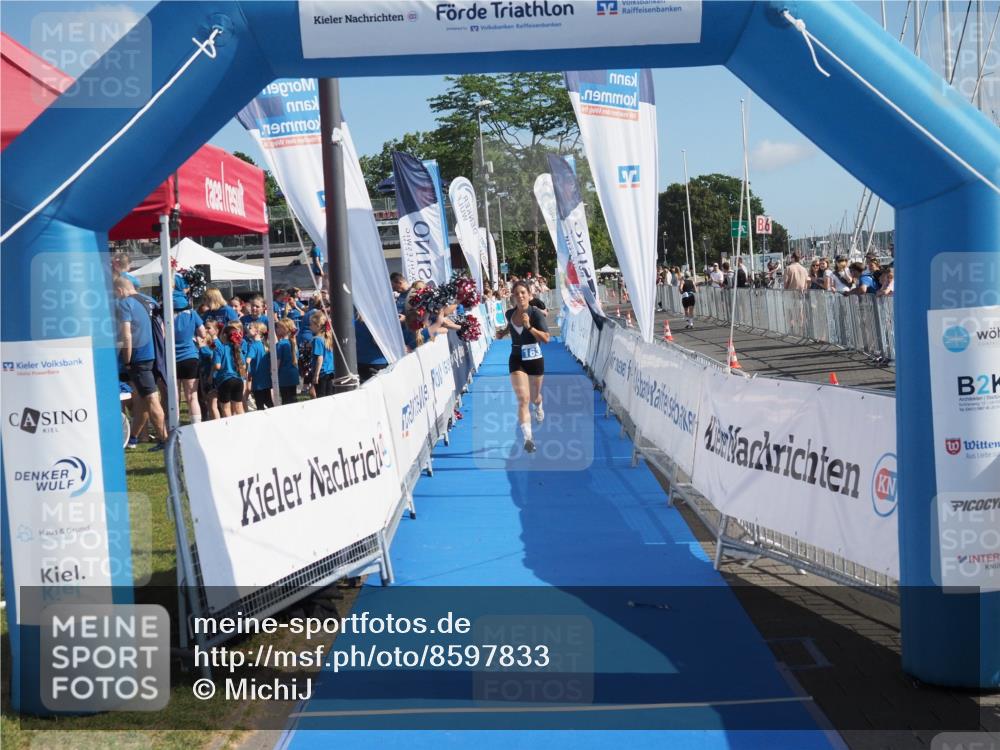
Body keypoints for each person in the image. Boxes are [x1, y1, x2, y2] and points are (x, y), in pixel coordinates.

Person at [496, 280, 551, 454]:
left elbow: (546, 338)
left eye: (523, 293)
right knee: (523, 399)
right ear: (512, 296)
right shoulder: (509, 313)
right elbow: (511, 327)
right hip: (517, 359)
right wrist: (503, 333)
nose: (520, 296)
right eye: (517, 293)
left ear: (529, 295)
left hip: (535, 359)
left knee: (534, 398)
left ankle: (539, 405)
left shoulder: (536, 314)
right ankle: (528, 438)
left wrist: (529, 327)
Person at [115, 277, 168, 448]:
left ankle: (164, 439)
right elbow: (163, 328)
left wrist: (127, 360)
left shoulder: (125, 303)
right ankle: (134, 437)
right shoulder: (150, 300)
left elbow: (126, 335)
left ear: (120, 290)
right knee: (145, 399)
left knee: (151, 398)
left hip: (139, 357)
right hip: (154, 355)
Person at [174, 297, 206, 424]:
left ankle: (174, 425)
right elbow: (203, 333)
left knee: (174, 397)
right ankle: (196, 424)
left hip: (172, 358)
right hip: (190, 356)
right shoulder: (193, 314)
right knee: (192, 396)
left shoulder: (167, 315)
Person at [213, 322, 247, 417]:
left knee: (226, 408)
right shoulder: (238, 348)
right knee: (239, 407)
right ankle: (244, 427)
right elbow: (243, 366)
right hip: (238, 380)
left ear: (224, 335)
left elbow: (217, 366)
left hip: (225, 380)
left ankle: (230, 430)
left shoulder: (219, 348)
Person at [246, 321, 273, 410]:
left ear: (257, 331)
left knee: (259, 404)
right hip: (266, 378)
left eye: (250, 328)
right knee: (269, 401)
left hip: (257, 380)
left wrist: (246, 372)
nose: (247, 329)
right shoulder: (264, 344)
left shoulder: (253, 346)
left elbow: (248, 360)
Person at [274, 318, 301, 405]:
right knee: (293, 399)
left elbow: (277, 362)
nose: (276, 329)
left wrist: (273, 375)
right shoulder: (294, 342)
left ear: (285, 329)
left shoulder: (281, 344)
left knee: (286, 400)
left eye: (278, 327)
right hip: (293, 375)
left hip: (284, 376)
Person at [309, 312, 336, 397]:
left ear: (318, 326)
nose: (310, 327)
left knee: (321, 396)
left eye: (311, 325)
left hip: (322, 373)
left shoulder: (317, 339)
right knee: (330, 395)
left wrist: (316, 375)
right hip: (331, 372)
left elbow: (319, 358)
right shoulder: (328, 337)